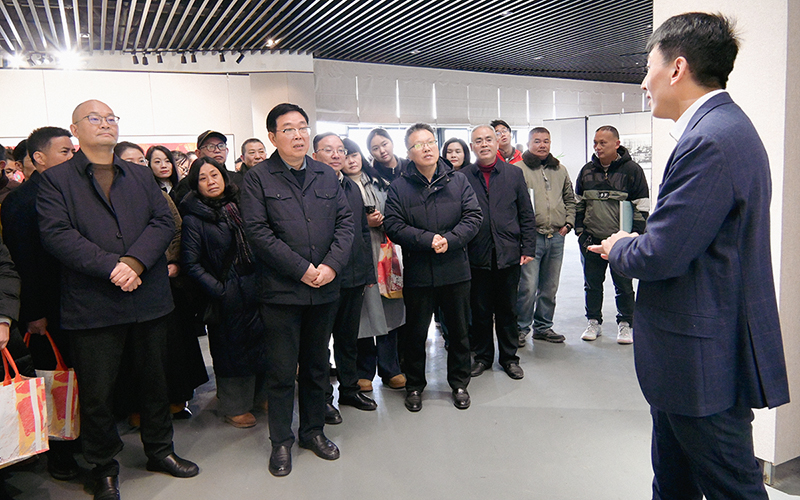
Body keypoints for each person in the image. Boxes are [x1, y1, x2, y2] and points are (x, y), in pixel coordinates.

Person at [590, 13, 789, 500]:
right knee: (673, 481)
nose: (644, 82)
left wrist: (619, 246)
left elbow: (661, 253)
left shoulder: (710, 140)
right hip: (693, 354)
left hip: (700, 360)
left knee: (731, 487)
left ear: (677, 68)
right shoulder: (722, 129)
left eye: (648, 67)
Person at [37, 100, 199, 500]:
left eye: (111, 118)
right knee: (98, 394)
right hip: (92, 302)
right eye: (95, 118)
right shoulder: (57, 180)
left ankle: (160, 450)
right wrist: (113, 267)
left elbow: (163, 221)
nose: (105, 124)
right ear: (75, 129)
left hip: (148, 297)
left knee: (155, 382)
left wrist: (135, 262)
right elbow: (58, 234)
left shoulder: (140, 175)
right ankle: (103, 467)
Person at [240, 103, 354, 477]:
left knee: (318, 365)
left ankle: (313, 432)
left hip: (324, 289)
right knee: (281, 369)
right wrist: (301, 269)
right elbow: (258, 233)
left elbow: (345, 224)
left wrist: (330, 266)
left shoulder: (325, 174)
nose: (298, 135)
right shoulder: (258, 178)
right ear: (273, 137)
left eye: (303, 127)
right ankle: (281, 441)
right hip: (281, 292)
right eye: (288, 129)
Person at [383, 123, 482, 412]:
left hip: (455, 268)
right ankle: (414, 385)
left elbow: (473, 216)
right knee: (415, 334)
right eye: (418, 145)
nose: (426, 148)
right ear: (408, 152)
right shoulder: (400, 186)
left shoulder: (458, 181)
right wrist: (428, 240)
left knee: (459, 331)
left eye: (430, 142)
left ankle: (459, 383)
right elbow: (393, 224)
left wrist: (450, 240)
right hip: (419, 272)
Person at [1, 126, 79, 481]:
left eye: (72, 151)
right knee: (53, 379)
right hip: (48, 308)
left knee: (80, 378)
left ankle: (82, 440)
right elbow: (21, 261)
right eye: (64, 151)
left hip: (83, 303)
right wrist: (32, 313)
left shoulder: (76, 190)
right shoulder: (19, 201)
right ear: (38, 158)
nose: (72, 157)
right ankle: (60, 454)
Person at [113, 141, 208, 422]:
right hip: (126, 285)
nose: (137, 166)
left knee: (173, 347)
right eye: (129, 161)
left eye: (140, 161)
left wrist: (175, 263)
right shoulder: (109, 198)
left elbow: (177, 230)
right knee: (136, 354)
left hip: (166, 282)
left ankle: (177, 400)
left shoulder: (158, 195)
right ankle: (137, 409)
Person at [181, 156, 267, 429]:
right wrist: (220, 290)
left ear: (224, 176)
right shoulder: (194, 218)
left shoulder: (241, 205)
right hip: (226, 294)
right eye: (203, 178)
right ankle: (235, 406)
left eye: (214, 175)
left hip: (255, 287)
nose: (210, 182)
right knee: (231, 351)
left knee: (261, 345)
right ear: (195, 185)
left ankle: (260, 396)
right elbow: (191, 264)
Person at [312, 133, 378, 422]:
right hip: (324, 276)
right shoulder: (310, 186)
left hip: (353, 275)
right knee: (319, 342)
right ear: (315, 156)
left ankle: (349, 390)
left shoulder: (350, 186)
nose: (336, 155)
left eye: (340, 150)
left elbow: (362, 231)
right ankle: (323, 399)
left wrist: (367, 272)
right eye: (328, 150)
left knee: (348, 338)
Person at [462, 125, 535, 380]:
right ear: (472, 146)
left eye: (488, 139)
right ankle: (483, 357)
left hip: (508, 252)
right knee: (480, 311)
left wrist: (528, 247)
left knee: (507, 310)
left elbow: (526, 213)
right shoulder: (463, 177)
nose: (484, 144)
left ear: (497, 143)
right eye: (478, 141)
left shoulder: (514, 174)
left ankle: (509, 358)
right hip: (476, 254)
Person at [341, 137, 406, 393]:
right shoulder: (338, 187)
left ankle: (391, 368)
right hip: (356, 257)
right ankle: (364, 370)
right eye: (346, 156)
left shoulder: (380, 183)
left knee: (390, 309)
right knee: (363, 314)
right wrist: (363, 222)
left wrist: (382, 220)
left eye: (354, 154)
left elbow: (398, 213)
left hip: (385, 255)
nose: (351, 160)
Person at [575, 125, 649, 344]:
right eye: (595, 143)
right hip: (591, 240)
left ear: (617, 144)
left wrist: (633, 237)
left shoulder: (632, 171)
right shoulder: (586, 171)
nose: (598, 147)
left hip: (620, 244)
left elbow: (642, 206)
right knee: (592, 284)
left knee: (624, 285)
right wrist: (581, 233)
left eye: (603, 143)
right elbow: (578, 204)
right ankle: (593, 322)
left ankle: (625, 324)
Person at [514, 127, 576, 345]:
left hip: (556, 236)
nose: (542, 145)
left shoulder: (560, 170)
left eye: (546, 141)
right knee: (527, 286)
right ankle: (521, 328)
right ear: (528, 143)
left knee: (550, 287)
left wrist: (569, 223)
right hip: (531, 238)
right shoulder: (517, 170)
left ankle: (543, 327)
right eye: (537, 141)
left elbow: (570, 198)